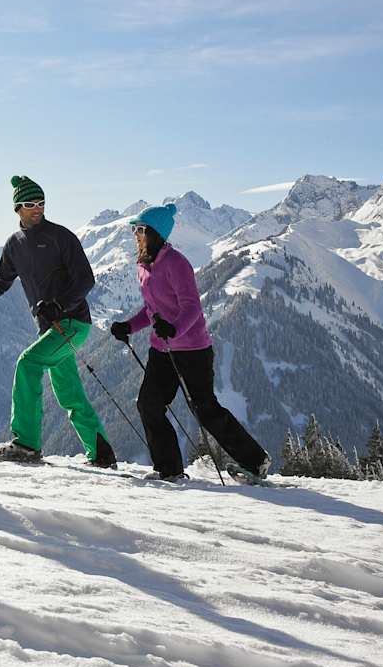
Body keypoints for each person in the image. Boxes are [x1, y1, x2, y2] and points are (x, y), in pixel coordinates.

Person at [0, 175, 117, 467]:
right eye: (30, 203)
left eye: (41, 203)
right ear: (17, 208)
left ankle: (26, 445)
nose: (37, 208)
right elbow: (0, 283)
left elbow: (86, 279)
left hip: (72, 322)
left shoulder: (61, 236)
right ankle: (101, 453)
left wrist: (60, 305)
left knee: (28, 363)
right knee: (68, 391)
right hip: (51, 329)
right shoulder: (14, 244)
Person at [110, 203, 271, 482]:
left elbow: (191, 307)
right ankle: (169, 469)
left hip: (193, 349)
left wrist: (173, 329)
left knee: (205, 409)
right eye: (134, 229)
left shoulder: (176, 263)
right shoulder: (144, 266)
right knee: (149, 405)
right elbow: (152, 310)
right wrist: (130, 326)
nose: (135, 234)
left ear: (155, 233)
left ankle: (256, 462)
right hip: (161, 349)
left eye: (139, 229)